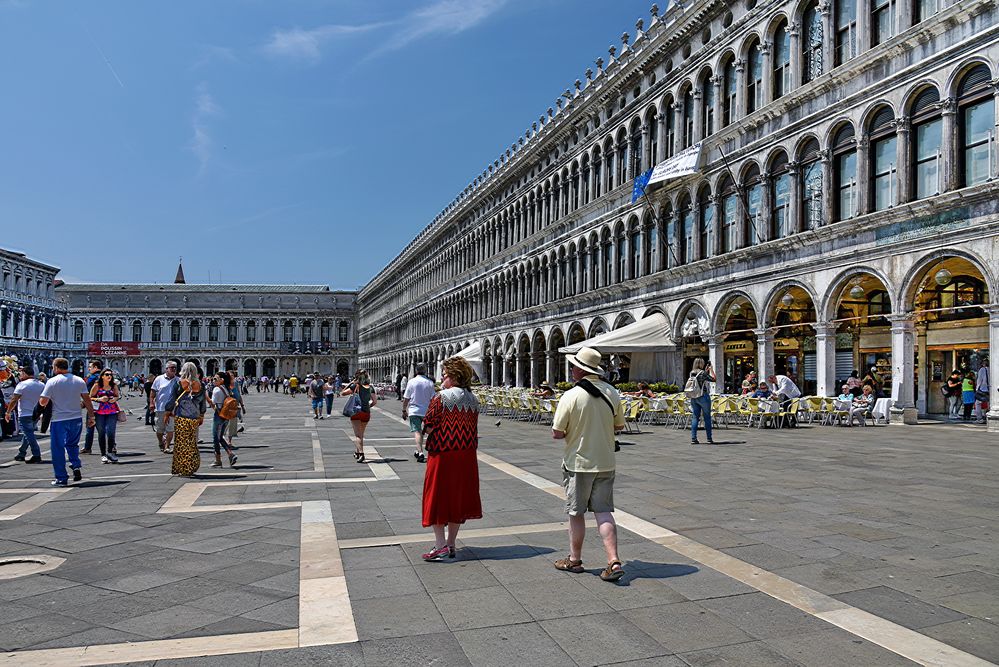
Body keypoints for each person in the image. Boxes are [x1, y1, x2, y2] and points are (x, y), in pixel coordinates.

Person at [551, 346, 626, 582]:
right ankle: (613, 561)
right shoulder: (612, 392)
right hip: (605, 462)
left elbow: (557, 432)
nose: (572, 368)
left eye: (574, 365)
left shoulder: (571, 395)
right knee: (604, 513)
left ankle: (574, 560)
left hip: (578, 463)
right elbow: (619, 426)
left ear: (580, 370)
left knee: (576, 513)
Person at [420, 357, 482, 561]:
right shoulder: (474, 400)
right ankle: (451, 543)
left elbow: (428, 425)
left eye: (444, 375)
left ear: (454, 377)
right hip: (466, 455)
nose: (442, 378)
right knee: (458, 499)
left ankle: (439, 546)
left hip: (443, 454)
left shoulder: (442, 397)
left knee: (437, 497)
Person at [38, 358, 95, 486]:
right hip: (76, 418)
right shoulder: (78, 380)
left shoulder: (52, 382)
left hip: (59, 419)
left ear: (56, 368)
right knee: (72, 444)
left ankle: (61, 478)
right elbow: (87, 400)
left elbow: (43, 402)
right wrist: (91, 416)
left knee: (58, 448)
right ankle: (75, 465)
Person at [165, 362, 207, 476]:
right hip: (194, 418)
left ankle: (183, 468)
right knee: (191, 443)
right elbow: (203, 403)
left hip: (181, 418)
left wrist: (167, 413)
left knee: (181, 444)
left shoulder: (179, 383)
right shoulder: (201, 385)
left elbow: (171, 400)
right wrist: (202, 415)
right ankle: (192, 466)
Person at [4, 365, 44, 463]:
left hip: (25, 413)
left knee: (29, 434)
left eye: (21, 373)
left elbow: (14, 399)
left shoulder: (22, 384)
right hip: (36, 413)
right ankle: (21, 453)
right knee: (28, 434)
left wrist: (8, 412)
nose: (20, 375)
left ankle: (36, 454)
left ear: (25, 374)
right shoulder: (42, 384)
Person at [403, 363, 435, 463]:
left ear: (416, 371)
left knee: (417, 432)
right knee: (426, 431)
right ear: (425, 371)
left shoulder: (412, 382)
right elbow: (433, 399)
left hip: (414, 411)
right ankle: (419, 450)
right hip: (426, 411)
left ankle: (420, 452)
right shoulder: (430, 382)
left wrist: (404, 410)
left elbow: (406, 398)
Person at [342, 370, 376, 462]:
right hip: (366, 413)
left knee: (358, 435)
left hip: (356, 413)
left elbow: (342, 392)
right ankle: (357, 452)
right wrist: (368, 406)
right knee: (360, 434)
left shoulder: (355, 386)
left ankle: (361, 454)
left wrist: (351, 383)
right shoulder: (371, 387)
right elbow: (374, 402)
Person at [90, 368, 121, 464]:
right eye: (107, 374)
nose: (109, 376)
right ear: (102, 376)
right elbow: (90, 397)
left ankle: (110, 452)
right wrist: (99, 399)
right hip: (99, 412)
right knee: (101, 433)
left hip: (112, 412)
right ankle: (103, 454)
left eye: (110, 375)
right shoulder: (97, 385)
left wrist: (114, 399)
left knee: (111, 432)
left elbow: (117, 395)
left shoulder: (113, 385)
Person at [210, 371, 238, 468]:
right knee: (220, 437)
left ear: (221, 380)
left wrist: (205, 396)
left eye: (215, 379)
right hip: (226, 416)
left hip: (219, 416)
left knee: (215, 438)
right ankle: (230, 454)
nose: (213, 380)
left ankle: (218, 460)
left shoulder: (216, 390)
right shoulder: (226, 388)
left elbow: (213, 404)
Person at [150, 362, 180, 453]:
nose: (174, 369)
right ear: (166, 369)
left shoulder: (178, 380)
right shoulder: (159, 379)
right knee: (160, 429)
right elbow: (153, 393)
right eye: (171, 368)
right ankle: (160, 442)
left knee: (170, 429)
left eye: (175, 368)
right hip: (160, 408)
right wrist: (151, 403)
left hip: (173, 409)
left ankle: (167, 446)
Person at [688, 358, 715, 445]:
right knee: (707, 418)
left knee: (695, 417)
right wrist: (711, 370)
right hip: (703, 396)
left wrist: (705, 371)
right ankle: (709, 438)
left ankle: (693, 438)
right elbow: (714, 379)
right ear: (701, 364)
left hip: (694, 396)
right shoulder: (702, 373)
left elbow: (699, 379)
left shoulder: (691, 373)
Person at [81, 360, 103, 454]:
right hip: (105, 405)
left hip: (93, 404)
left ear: (95, 367)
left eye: (90, 367)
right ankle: (111, 446)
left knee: (90, 426)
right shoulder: (106, 377)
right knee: (104, 427)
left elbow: (85, 390)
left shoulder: (92, 378)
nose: (89, 369)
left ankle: (87, 447)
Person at [226, 370, 246, 441]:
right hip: (227, 406)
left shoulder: (236, 383)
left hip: (235, 405)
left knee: (233, 423)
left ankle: (229, 440)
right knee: (226, 423)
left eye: (232, 375)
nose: (231, 377)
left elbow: (239, 394)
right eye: (229, 376)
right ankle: (221, 438)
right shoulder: (225, 384)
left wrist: (242, 405)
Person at [975, 359, 990, 424]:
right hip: (990, 389)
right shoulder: (991, 369)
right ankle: (988, 417)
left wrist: (977, 388)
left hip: (983, 389)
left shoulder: (982, 369)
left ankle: (979, 418)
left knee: (978, 404)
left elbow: (979, 380)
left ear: (983, 364)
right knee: (989, 404)